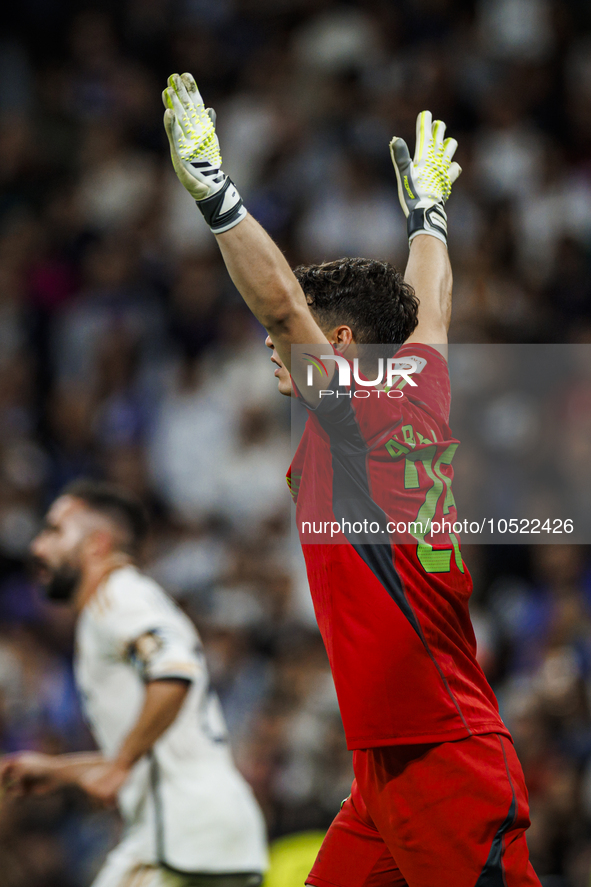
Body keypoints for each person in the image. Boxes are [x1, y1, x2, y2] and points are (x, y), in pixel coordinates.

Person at [161, 73, 542, 887]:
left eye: (298, 341)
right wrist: (429, 217)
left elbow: (280, 311)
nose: (274, 354)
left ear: (337, 341)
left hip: (442, 755)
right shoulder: (418, 379)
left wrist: (217, 195)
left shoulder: (355, 406)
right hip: (388, 763)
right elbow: (429, 303)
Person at [0, 479, 268, 887]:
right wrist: (62, 771)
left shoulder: (118, 597)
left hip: (181, 836)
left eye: (54, 530)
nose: (38, 546)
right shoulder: (124, 603)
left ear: (96, 544)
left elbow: (175, 672)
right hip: (212, 832)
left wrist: (118, 766)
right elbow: (162, 753)